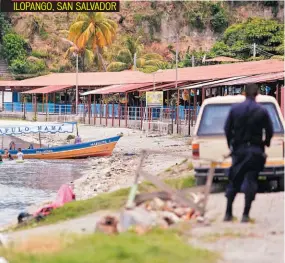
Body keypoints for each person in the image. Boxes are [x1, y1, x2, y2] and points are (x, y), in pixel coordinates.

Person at [224, 83, 273, 223]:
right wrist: (265, 144)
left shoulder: (235, 109)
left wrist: (231, 146)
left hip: (238, 151)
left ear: (244, 94)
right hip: (255, 151)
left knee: (234, 180)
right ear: (257, 94)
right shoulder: (262, 111)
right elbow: (269, 131)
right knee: (251, 181)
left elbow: (227, 129)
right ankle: (245, 215)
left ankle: (228, 213)